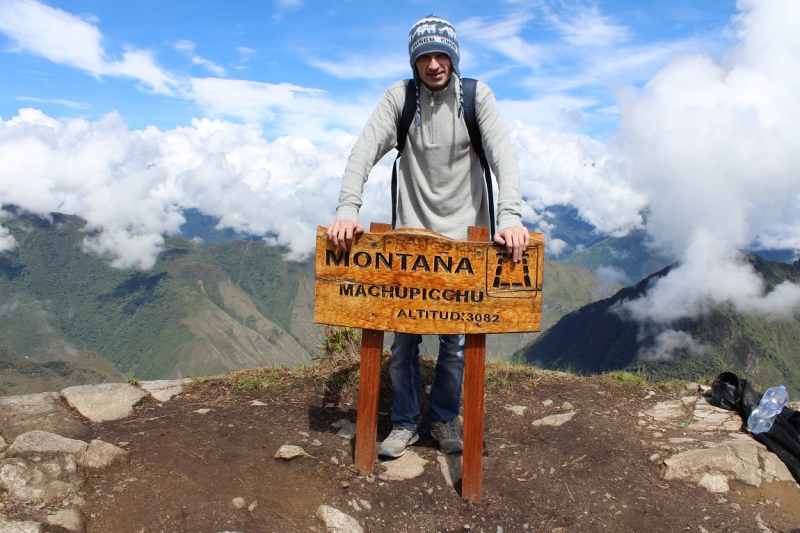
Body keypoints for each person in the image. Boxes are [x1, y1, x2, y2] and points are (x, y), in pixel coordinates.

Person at [327, 15, 529, 458]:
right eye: (424, 56)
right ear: (414, 60)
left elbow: (504, 159)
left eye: (441, 55)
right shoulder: (399, 98)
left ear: (453, 57)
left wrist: (510, 217)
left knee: (454, 345)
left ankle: (441, 419)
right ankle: (403, 423)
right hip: (411, 243)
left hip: (465, 245)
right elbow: (363, 152)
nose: (434, 64)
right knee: (403, 342)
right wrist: (347, 209)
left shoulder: (477, 98)